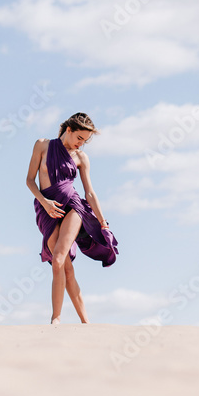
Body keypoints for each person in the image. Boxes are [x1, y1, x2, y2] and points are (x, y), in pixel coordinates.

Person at [26, 112, 118, 324]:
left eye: (85, 141)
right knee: (64, 267)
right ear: (69, 130)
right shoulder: (42, 145)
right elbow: (30, 181)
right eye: (79, 138)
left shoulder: (81, 158)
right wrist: (45, 202)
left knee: (58, 258)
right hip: (47, 209)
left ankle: (55, 318)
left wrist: (103, 222)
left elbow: (90, 193)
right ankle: (86, 321)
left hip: (73, 207)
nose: (81, 144)